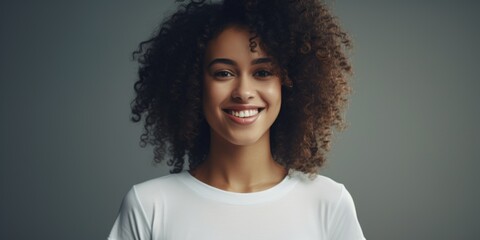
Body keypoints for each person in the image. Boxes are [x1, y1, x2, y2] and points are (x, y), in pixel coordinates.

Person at [108, 0, 365, 239]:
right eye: (224, 73)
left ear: (289, 84)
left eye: (263, 72)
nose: (243, 92)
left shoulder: (328, 203)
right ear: (194, 85)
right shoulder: (148, 206)